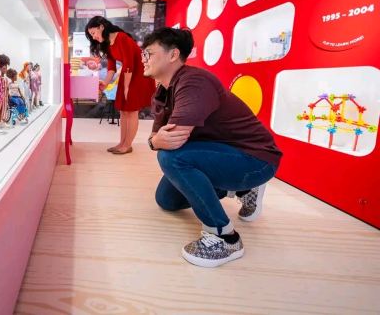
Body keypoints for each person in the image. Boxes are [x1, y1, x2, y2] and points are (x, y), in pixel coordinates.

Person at [141, 27, 282, 267]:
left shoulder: (194, 81)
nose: (144, 59)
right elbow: (157, 137)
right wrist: (155, 141)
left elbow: (172, 140)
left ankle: (225, 236)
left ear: (173, 54)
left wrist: (156, 142)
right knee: (166, 200)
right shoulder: (163, 92)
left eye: (149, 53)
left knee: (171, 158)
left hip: (255, 159)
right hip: (220, 153)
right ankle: (242, 190)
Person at [85, 16, 155, 154]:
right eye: (91, 35)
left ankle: (127, 145)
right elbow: (111, 67)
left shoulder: (122, 37)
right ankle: (122, 143)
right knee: (123, 110)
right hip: (127, 74)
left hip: (138, 74)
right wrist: (105, 83)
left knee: (131, 111)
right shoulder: (107, 43)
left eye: (93, 33)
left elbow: (129, 63)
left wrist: (127, 87)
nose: (93, 37)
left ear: (101, 27)